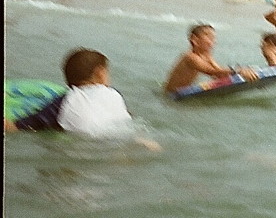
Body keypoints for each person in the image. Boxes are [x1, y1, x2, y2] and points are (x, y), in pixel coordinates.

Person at [5, 48, 161, 150]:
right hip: (123, 139)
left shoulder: (65, 102)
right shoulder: (114, 95)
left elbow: (16, 127)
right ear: (100, 73)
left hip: (85, 146)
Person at [164, 24, 258, 94]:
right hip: (172, 96)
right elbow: (213, 72)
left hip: (183, 93)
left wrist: (253, 82)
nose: (213, 42)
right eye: (209, 37)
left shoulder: (207, 56)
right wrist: (239, 71)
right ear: (194, 39)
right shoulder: (190, 57)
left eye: (214, 38)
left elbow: (219, 74)